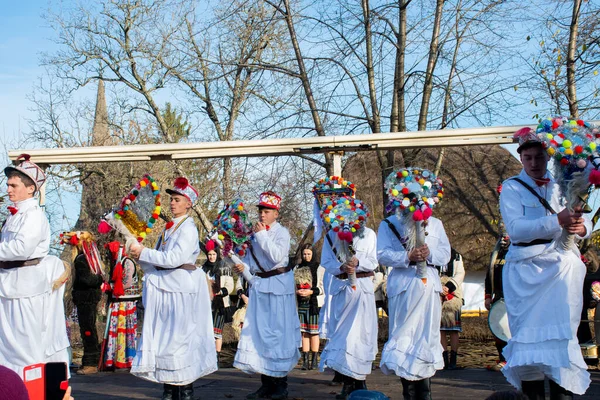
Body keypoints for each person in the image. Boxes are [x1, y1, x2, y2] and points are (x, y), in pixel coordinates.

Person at [499, 127, 591, 398]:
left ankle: (563, 391)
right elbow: (516, 230)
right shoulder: (512, 188)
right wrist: (557, 220)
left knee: (561, 341)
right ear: (521, 159)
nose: (534, 163)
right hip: (525, 270)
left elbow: (585, 224)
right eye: (528, 158)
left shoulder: (564, 183)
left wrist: (580, 228)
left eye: (539, 157)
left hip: (560, 269)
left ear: (547, 157)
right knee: (528, 346)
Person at [128, 177, 217, 400]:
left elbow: (175, 258)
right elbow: (158, 262)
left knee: (181, 339)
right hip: (167, 288)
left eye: (177, 200)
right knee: (166, 339)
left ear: (188, 203)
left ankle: (184, 390)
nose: (172, 203)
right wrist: (139, 255)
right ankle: (170, 388)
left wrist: (144, 252)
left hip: (181, 289)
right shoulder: (168, 230)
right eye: (171, 199)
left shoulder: (188, 229)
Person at [378, 168, 451, 400]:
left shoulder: (436, 224)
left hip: (429, 286)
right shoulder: (388, 224)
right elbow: (382, 255)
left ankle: (425, 394)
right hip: (404, 287)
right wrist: (407, 257)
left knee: (426, 337)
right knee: (405, 337)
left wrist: (428, 254)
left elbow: (445, 255)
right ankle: (408, 393)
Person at [0, 154, 70, 378]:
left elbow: (21, 248)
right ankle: (14, 386)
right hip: (10, 283)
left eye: (14, 185)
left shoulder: (33, 215)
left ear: (30, 189)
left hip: (26, 286)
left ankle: (33, 388)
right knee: (9, 346)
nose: (9, 189)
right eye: (8, 184)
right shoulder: (15, 215)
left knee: (27, 344)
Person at [233, 191, 300, 400]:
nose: (262, 215)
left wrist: (261, 236)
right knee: (260, 334)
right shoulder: (254, 236)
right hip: (261, 286)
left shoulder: (282, 233)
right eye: (261, 211)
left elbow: (277, 257)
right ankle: (266, 383)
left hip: (279, 287)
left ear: (276, 213)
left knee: (277, 334)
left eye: (267, 211)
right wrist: (240, 266)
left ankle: (280, 384)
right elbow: (253, 265)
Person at [319, 196, 378, 399]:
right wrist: (341, 267)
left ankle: (359, 381)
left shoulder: (369, 234)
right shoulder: (331, 237)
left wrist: (357, 262)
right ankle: (348, 382)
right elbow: (326, 261)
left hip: (362, 288)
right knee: (343, 336)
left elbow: (373, 260)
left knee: (360, 335)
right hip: (341, 288)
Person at [60, 231, 104, 375]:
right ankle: (92, 360)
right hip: (88, 297)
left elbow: (86, 279)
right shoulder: (89, 259)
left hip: (85, 298)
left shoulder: (80, 259)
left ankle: (91, 362)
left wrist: (98, 280)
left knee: (87, 330)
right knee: (89, 329)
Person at [103, 241, 141, 370]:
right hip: (118, 302)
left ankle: (127, 359)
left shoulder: (127, 262)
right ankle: (115, 358)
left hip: (127, 303)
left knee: (127, 330)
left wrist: (111, 287)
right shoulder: (117, 263)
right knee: (117, 330)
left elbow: (127, 282)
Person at [202, 238, 234, 367]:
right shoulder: (203, 268)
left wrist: (222, 291)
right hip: (206, 302)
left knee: (217, 331)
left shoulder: (224, 266)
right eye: (209, 254)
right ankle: (207, 356)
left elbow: (230, 284)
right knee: (206, 331)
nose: (211, 257)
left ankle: (217, 355)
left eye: (214, 254)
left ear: (217, 254)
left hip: (220, 302)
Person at [293, 243, 325, 371]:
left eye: (309, 254)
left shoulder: (320, 268)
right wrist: (297, 291)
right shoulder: (297, 268)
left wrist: (311, 291)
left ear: (313, 254)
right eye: (304, 254)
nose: (306, 256)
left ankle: (315, 359)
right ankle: (305, 360)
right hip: (301, 302)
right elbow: (292, 285)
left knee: (314, 332)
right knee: (304, 332)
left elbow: (323, 287)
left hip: (314, 303)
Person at [485, 231, 510, 372]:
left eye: (507, 236)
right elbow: (489, 277)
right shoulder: (496, 254)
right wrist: (488, 296)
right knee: (498, 329)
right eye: (502, 236)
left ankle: (510, 359)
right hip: (498, 296)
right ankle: (502, 358)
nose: (504, 238)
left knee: (510, 329)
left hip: (513, 297)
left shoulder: (516, 253)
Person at [439, 248, 465, 370]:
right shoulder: (433, 253)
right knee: (440, 330)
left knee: (454, 330)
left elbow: (460, 274)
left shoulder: (456, 256)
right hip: (437, 295)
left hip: (454, 295)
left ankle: (453, 361)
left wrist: (448, 287)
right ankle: (444, 360)